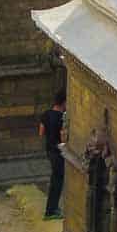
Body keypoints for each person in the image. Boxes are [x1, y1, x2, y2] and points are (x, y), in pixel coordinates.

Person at [38, 90, 66, 220]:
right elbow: (63, 137)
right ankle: (51, 210)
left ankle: (52, 208)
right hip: (58, 152)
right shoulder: (62, 118)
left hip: (49, 150)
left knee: (55, 179)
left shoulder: (46, 114)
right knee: (57, 181)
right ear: (64, 103)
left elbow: (41, 133)